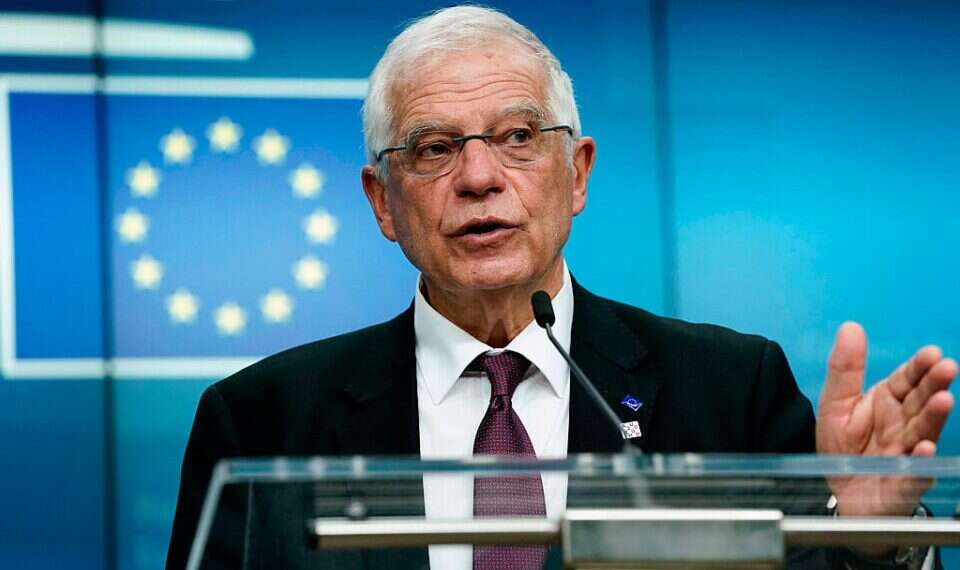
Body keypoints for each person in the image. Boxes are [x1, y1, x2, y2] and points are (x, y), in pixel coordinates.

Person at [166, 5, 956, 570]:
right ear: (382, 202)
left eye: (516, 138)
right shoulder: (260, 421)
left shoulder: (729, 389)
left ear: (576, 174)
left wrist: (868, 542)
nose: (479, 177)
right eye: (436, 148)